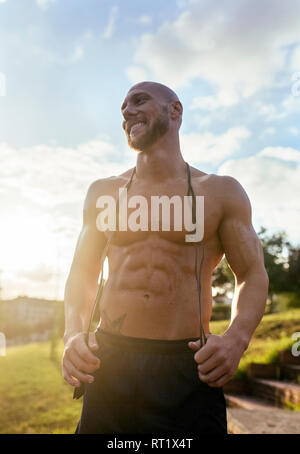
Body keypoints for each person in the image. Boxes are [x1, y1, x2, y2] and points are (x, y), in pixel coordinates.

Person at [62, 81, 269, 434]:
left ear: (175, 110)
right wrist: (72, 333)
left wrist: (236, 339)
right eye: (123, 107)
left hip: (187, 362)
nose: (127, 112)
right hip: (110, 358)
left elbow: (252, 273)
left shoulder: (221, 192)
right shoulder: (103, 192)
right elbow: (82, 273)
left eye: (139, 101)